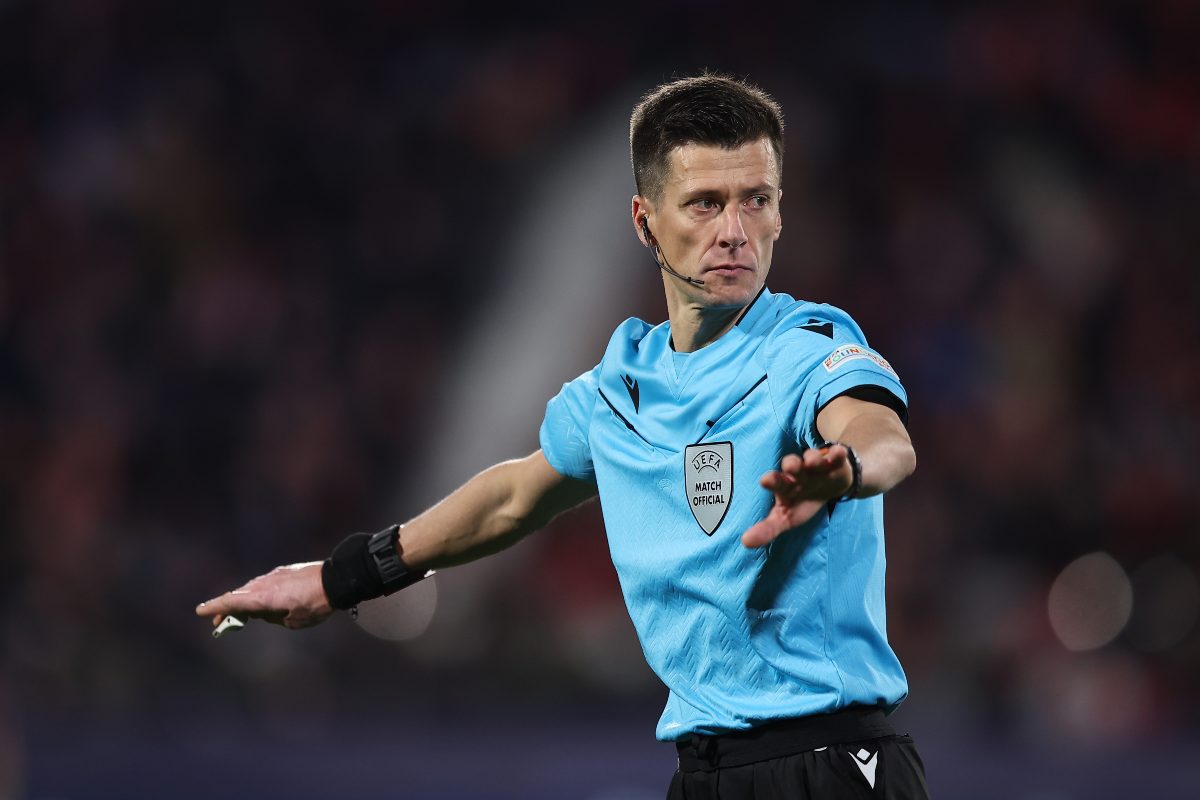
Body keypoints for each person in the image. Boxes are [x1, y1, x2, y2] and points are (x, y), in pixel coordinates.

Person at [197, 73, 930, 799]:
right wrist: (341, 578)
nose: (734, 231)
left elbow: (883, 435)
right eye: (705, 203)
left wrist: (847, 468)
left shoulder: (804, 346)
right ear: (645, 221)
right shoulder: (619, 385)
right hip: (704, 772)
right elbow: (513, 499)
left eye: (756, 200)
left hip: (832, 765)